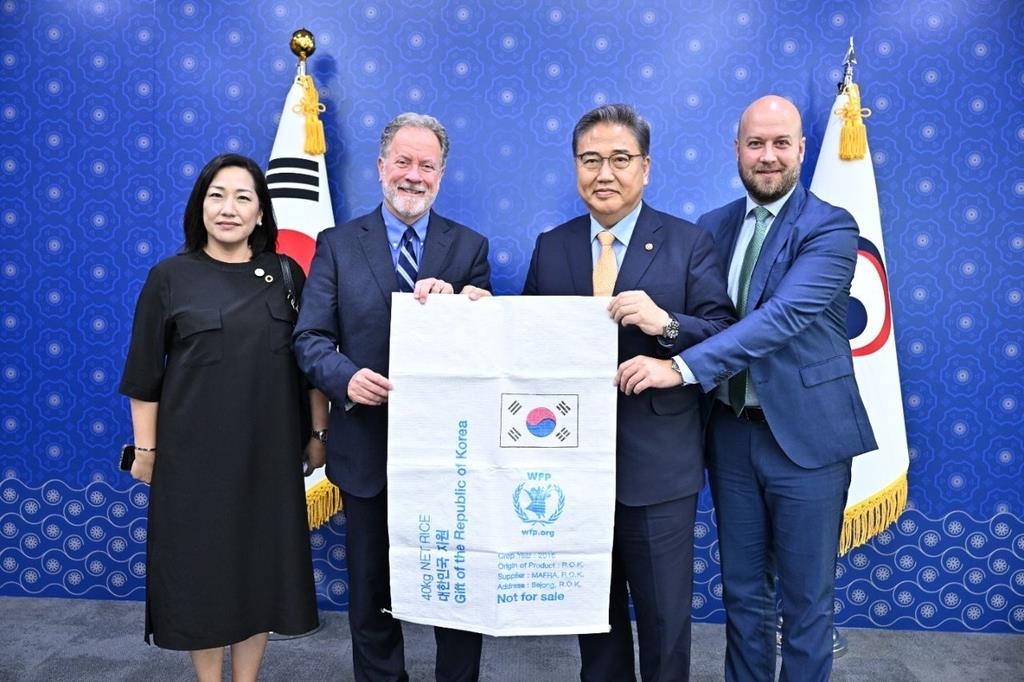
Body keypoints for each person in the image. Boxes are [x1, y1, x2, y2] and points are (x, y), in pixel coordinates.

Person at [619, 95, 878, 681]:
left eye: (780, 143)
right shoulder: (712, 227)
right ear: (736, 150)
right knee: (742, 595)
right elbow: (702, 320)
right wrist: (664, 326)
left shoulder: (831, 227)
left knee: (806, 605)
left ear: (802, 151)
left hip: (807, 441)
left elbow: (780, 319)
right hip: (730, 437)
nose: (768, 156)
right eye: (755, 144)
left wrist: (678, 368)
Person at [523, 103, 734, 681]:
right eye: (590, 160)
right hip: (572, 464)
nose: (604, 173)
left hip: (658, 463)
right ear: (575, 168)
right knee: (595, 618)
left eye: (620, 159)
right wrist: (478, 312)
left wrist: (666, 324)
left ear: (645, 167)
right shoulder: (553, 245)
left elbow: (723, 335)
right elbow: (528, 347)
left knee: (666, 622)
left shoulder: (689, 243)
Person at [293, 112, 491, 682]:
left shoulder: (469, 247)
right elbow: (308, 338)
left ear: (441, 175)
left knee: (455, 593)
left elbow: (484, 347)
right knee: (372, 599)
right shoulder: (335, 244)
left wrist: (463, 302)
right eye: (402, 161)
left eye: (426, 165)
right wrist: (345, 379)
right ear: (381, 168)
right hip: (366, 449)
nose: (413, 175)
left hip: (448, 457)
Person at [119, 153, 327, 682]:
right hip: (194, 463)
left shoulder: (285, 275)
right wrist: (146, 451)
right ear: (201, 206)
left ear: (261, 213)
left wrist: (318, 435)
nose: (228, 208)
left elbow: (310, 366)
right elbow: (144, 376)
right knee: (204, 576)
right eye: (217, 195)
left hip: (269, 455)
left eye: (242, 197)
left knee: (258, 575)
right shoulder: (170, 276)